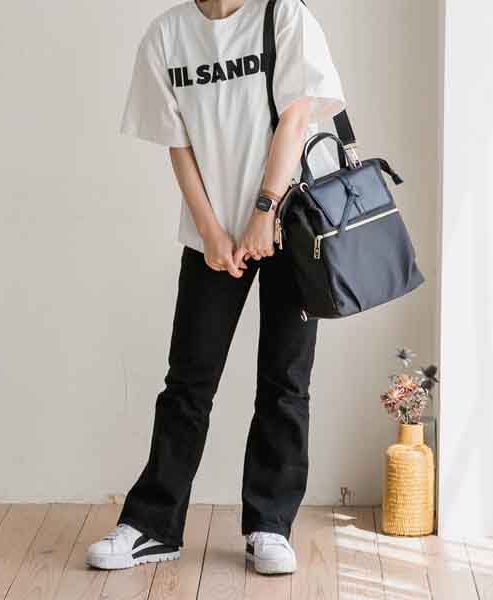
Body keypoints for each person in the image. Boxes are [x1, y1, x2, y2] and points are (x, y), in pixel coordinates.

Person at [86, 0, 345, 575]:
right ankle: (153, 526)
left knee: (285, 381)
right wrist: (209, 231)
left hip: (291, 226)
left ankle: (270, 526)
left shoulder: (285, 16)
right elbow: (178, 144)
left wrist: (263, 212)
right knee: (188, 382)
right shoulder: (167, 36)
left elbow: (296, 117)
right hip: (213, 236)